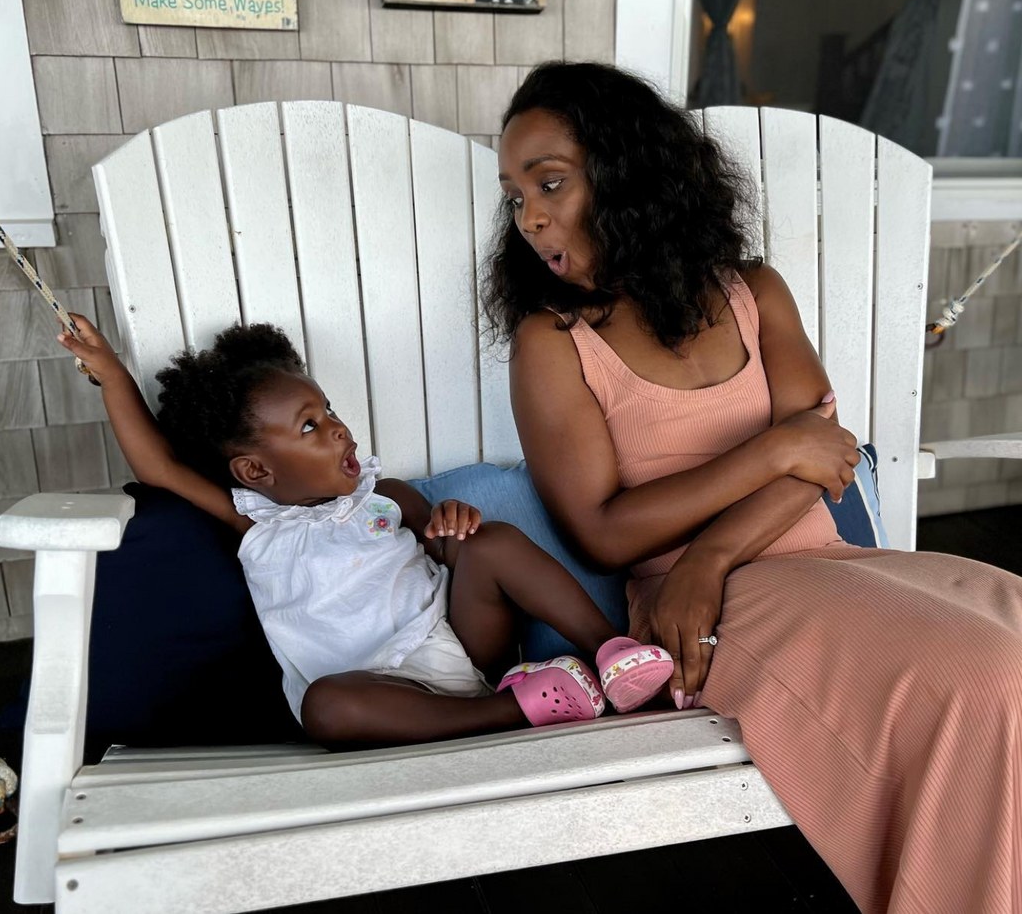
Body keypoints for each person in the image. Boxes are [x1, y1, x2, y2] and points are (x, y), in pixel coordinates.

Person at [484, 60, 1022, 914]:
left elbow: (831, 455)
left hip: (818, 563)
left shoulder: (753, 293)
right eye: (516, 196)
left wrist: (719, 546)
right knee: (985, 675)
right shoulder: (555, 343)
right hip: (706, 615)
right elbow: (605, 531)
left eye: (550, 183)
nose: (531, 217)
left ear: (631, 174)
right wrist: (773, 455)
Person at [57, 315, 675, 747]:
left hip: (455, 642)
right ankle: (512, 712)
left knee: (495, 542)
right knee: (325, 709)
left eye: (330, 412)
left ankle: (611, 651)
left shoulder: (379, 494)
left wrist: (454, 525)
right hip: (377, 688)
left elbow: (443, 543)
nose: (336, 429)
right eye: (308, 426)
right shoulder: (256, 521)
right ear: (256, 470)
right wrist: (113, 375)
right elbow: (158, 468)